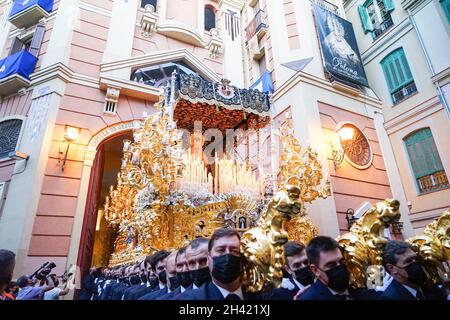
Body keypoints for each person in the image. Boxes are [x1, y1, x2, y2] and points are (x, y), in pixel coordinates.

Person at [176, 228, 259, 300]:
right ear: (209, 259)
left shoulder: (264, 296)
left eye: (234, 251)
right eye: (221, 250)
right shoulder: (189, 298)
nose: (227, 256)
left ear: (242, 260)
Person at [298, 236, 379, 300]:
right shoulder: (308, 298)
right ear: (315, 270)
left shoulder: (360, 288)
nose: (339, 267)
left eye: (341, 262)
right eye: (331, 265)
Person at [381, 240, 448, 300]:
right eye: (408, 261)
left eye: (416, 258)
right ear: (392, 268)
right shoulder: (390, 298)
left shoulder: (430, 286)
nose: (415, 263)